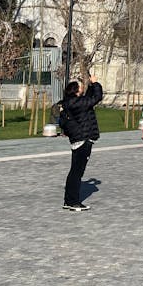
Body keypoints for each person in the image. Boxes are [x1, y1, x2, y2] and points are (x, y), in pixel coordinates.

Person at [59, 75, 103, 212]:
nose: (82, 87)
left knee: (74, 172)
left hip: (77, 140)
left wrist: (90, 85)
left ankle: (68, 200)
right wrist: (96, 83)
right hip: (83, 140)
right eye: (80, 87)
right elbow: (96, 98)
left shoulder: (71, 103)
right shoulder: (78, 103)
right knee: (77, 173)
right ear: (76, 91)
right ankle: (73, 202)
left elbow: (88, 100)